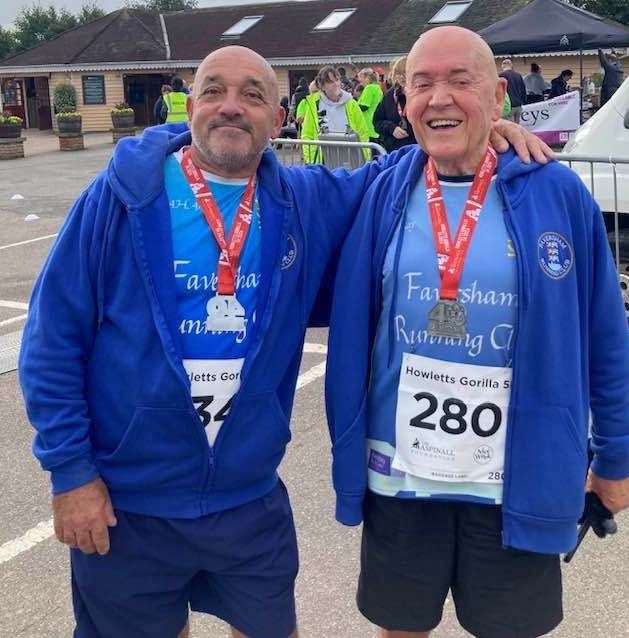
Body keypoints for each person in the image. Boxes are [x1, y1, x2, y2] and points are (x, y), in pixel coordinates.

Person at [19, 41, 549, 638]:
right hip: (127, 501)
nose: (231, 107)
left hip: (246, 501)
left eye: (254, 96)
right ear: (188, 104)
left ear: (279, 117)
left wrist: (481, 128)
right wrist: (70, 473)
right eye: (214, 90)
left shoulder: (305, 199)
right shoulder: (119, 199)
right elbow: (51, 341)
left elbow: (398, 168)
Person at [325, 25, 629, 638]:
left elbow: (605, 335)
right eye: (422, 84)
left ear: (497, 100)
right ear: (403, 102)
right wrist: (171, 140)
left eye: (461, 82)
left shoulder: (556, 192)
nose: (439, 98)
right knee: (400, 629)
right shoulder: (380, 188)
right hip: (400, 474)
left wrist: (617, 456)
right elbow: (252, 170)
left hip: (515, 474)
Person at [300, 65, 370, 164]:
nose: (336, 84)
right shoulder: (314, 105)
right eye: (330, 82)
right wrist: (311, 161)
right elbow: (307, 135)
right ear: (322, 86)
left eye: (337, 80)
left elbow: (362, 132)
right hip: (323, 161)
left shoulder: (351, 103)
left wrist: (364, 158)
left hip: (350, 157)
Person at [374, 55, 417, 153]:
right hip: (396, 152)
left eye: (405, 72)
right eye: (398, 73)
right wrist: (392, 128)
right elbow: (377, 122)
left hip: (420, 151)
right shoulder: (390, 96)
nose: (402, 77)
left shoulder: (422, 94)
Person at [357, 68, 384, 144]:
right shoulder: (377, 87)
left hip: (368, 125)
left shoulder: (369, 88)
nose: (359, 80)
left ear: (367, 78)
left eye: (361, 77)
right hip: (375, 123)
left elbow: (364, 106)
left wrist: (353, 105)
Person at [499, 58, 526, 123]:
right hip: (518, 105)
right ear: (511, 65)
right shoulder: (518, 75)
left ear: (503, 65)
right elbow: (523, 90)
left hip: (508, 106)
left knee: (509, 128)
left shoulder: (501, 75)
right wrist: (523, 101)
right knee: (517, 127)